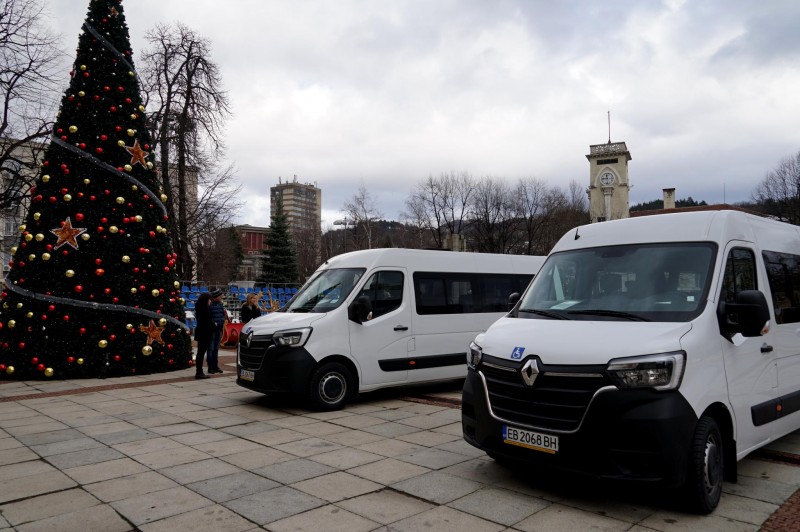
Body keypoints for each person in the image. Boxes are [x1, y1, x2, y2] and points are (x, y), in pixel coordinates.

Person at [193, 292, 212, 379]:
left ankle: (199, 371)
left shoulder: (200, 308)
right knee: (201, 353)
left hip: (202, 332)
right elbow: (206, 322)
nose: (210, 301)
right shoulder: (204, 309)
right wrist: (213, 324)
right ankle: (199, 372)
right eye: (209, 300)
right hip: (204, 333)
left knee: (200, 352)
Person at [207, 288, 227, 374]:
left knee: (216, 348)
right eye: (220, 295)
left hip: (219, 328)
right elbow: (209, 317)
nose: (222, 296)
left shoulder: (220, 304)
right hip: (212, 330)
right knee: (210, 349)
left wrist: (223, 320)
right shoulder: (210, 305)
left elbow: (222, 314)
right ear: (216, 297)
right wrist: (213, 323)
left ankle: (216, 366)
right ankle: (210, 367)